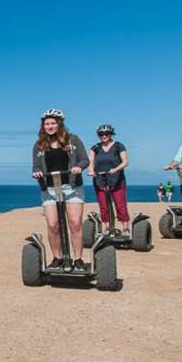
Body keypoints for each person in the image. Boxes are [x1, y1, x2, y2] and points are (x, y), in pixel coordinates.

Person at [31, 109, 90, 271]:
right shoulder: (39, 145)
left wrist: (78, 167)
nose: (50, 126)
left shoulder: (73, 140)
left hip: (72, 187)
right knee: (52, 225)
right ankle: (57, 258)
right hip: (49, 188)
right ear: (43, 126)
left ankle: (78, 259)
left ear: (59, 124)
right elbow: (36, 165)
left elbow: (85, 159)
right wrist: (36, 172)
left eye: (53, 123)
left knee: (75, 223)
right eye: (47, 124)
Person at [87, 124, 131, 234]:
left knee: (120, 205)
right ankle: (106, 228)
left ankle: (125, 228)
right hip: (100, 180)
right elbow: (90, 161)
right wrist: (91, 170)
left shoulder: (118, 146)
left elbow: (125, 161)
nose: (104, 136)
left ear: (111, 134)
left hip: (117, 180)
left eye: (106, 134)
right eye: (101, 134)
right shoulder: (95, 148)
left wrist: (116, 169)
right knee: (103, 205)